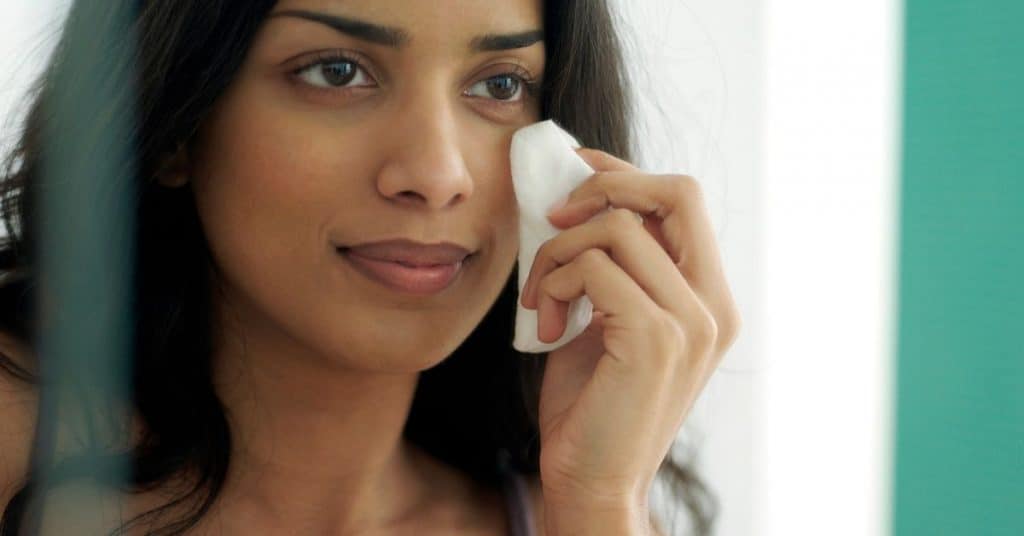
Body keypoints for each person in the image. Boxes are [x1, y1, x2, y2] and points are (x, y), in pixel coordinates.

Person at [0, 0, 742, 534]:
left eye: (499, 85)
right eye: (336, 71)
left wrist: (601, 501)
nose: (437, 173)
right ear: (174, 124)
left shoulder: (556, 511)